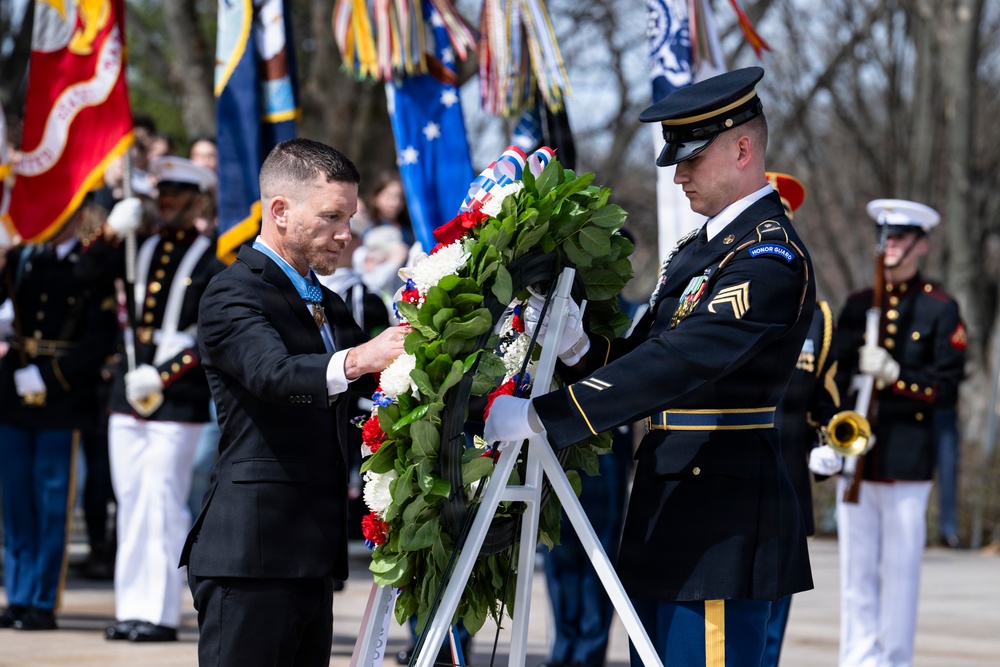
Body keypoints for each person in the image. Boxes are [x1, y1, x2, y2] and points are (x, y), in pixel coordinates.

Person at [485, 67, 815, 667]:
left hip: (721, 523)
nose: (678, 171)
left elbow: (681, 361)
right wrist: (579, 350)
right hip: (668, 509)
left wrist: (545, 417)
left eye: (692, 157)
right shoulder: (701, 249)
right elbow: (646, 353)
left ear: (743, 148)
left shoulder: (768, 256)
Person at [180, 138, 407, 667]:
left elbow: (370, 392)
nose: (345, 235)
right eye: (330, 217)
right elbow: (273, 374)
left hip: (310, 551)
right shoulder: (231, 291)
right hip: (251, 554)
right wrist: (359, 359)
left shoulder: (324, 300)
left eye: (349, 217)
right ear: (279, 210)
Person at [811, 198, 965, 667]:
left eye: (899, 237)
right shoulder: (858, 305)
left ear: (922, 244)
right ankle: (858, 659)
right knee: (856, 571)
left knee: (901, 573)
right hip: (858, 459)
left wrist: (896, 375)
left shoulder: (940, 307)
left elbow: (947, 389)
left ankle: (895, 659)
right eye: (885, 237)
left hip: (906, 459)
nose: (890, 245)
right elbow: (829, 374)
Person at [82, 156, 224, 643]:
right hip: (127, 394)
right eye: (162, 194)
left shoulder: (211, 259)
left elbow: (208, 336)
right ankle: (131, 607)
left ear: (198, 199)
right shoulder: (136, 248)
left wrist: (162, 376)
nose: (166, 203)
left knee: (162, 504)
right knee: (131, 502)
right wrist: (106, 234)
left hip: (175, 399)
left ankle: (160, 613)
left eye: (177, 194)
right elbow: (85, 281)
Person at [0, 199, 118, 631]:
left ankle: (42, 601)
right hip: (14, 391)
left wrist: (49, 377)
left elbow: (100, 339)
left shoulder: (92, 265)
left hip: (62, 398)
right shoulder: (21, 259)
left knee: (51, 504)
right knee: (15, 503)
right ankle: (18, 595)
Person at [761, 172, 841, 666]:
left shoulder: (819, 317)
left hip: (790, 486)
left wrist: (831, 439)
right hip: (732, 483)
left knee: (772, 631)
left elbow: (823, 401)